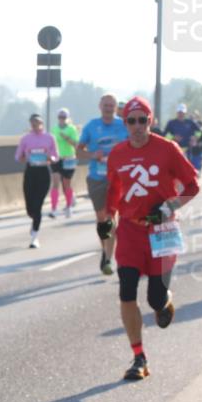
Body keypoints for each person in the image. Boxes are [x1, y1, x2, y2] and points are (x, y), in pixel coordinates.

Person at [101, 96, 199, 381]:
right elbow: (114, 191)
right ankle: (138, 357)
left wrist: (168, 207)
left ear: (150, 121)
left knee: (154, 298)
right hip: (131, 230)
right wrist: (108, 220)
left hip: (163, 229)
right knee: (126, 289)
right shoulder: (117, 154)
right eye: (131, 121)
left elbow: (192, 185)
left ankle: (164, 300)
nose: (137, 126)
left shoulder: (167, 149)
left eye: (142, 120)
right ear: (125, 124)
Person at [78, 93, 128, 275]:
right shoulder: (91, 126)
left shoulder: (124, 125)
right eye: (105, 105)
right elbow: (78, 151)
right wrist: (93, 155)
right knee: (101, 218)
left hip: (118, 178)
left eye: (111, 105)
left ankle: (108, 257)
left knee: (109, 216)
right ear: (100, 107)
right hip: (96, 177)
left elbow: (134, 146)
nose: (108, 108)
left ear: (116, 108)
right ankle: (105, 249)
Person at [15, 113, 59, 248]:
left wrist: (50, 159)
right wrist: (25, 158)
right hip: (31, 171)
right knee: (30, 207)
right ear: (30, 124)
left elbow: (55, 156)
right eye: (33, 123)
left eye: (38, 123)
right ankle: (34, 219)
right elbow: (18, 156)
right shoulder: (26, 139)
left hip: (43, 172)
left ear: (42, 124)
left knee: (38, 205)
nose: (35, 126)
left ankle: (35, 236)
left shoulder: (49, 138)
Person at [49, 108, 80, 218]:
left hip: (69, 158)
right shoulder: (54, 129)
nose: (62, 119)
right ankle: (53, 208)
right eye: (60, 117)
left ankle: (68, 206)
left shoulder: (72, 129)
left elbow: (76, 144)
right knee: (55, 182)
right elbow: (51, 144)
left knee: (66, 184)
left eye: (64, 117)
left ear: (67, 118)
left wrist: (66, 138)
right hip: (57, 159)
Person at [162, 102, 201, 171]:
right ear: (176, 113)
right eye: (179, 112)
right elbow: (164, 134)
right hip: (174, 149)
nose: (180, 114)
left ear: (185, 113)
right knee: (175, 168)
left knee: (187, 168)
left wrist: (195, 138)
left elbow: (199, 131)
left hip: (187, 150)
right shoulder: (171, 123)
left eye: (182, 112)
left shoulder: (190, 122)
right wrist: (173, 137)